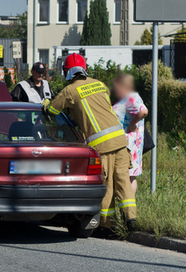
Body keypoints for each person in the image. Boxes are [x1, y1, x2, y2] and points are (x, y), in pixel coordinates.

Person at [43, 54, 136, 230]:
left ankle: (107, 225)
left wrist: (46, 102)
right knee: (123, 180)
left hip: (102, 145)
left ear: (66, 71)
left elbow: (53, 110)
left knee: (107, 184)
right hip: (121, 141)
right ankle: (131, 219)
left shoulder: (69, 91)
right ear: (84, 69)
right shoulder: (100, 85)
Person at [112, 73, 148, 194]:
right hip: (129, 142)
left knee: (129, 175)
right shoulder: (127, 98)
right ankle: (128, 204)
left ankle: (128, 204)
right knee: (129, 175)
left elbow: (143, 111)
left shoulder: (131, 97)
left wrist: (132, 125)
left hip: (130, 143)